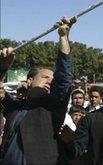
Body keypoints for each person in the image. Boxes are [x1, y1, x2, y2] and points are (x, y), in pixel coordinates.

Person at [0, 17, 75, 164]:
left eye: (53, 80)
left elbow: (64, 76)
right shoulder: (14, 107)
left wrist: (64, 37)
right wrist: (3, 67)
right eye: (45, 77)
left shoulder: (53, 107)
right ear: (29, 81)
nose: (50, 81)